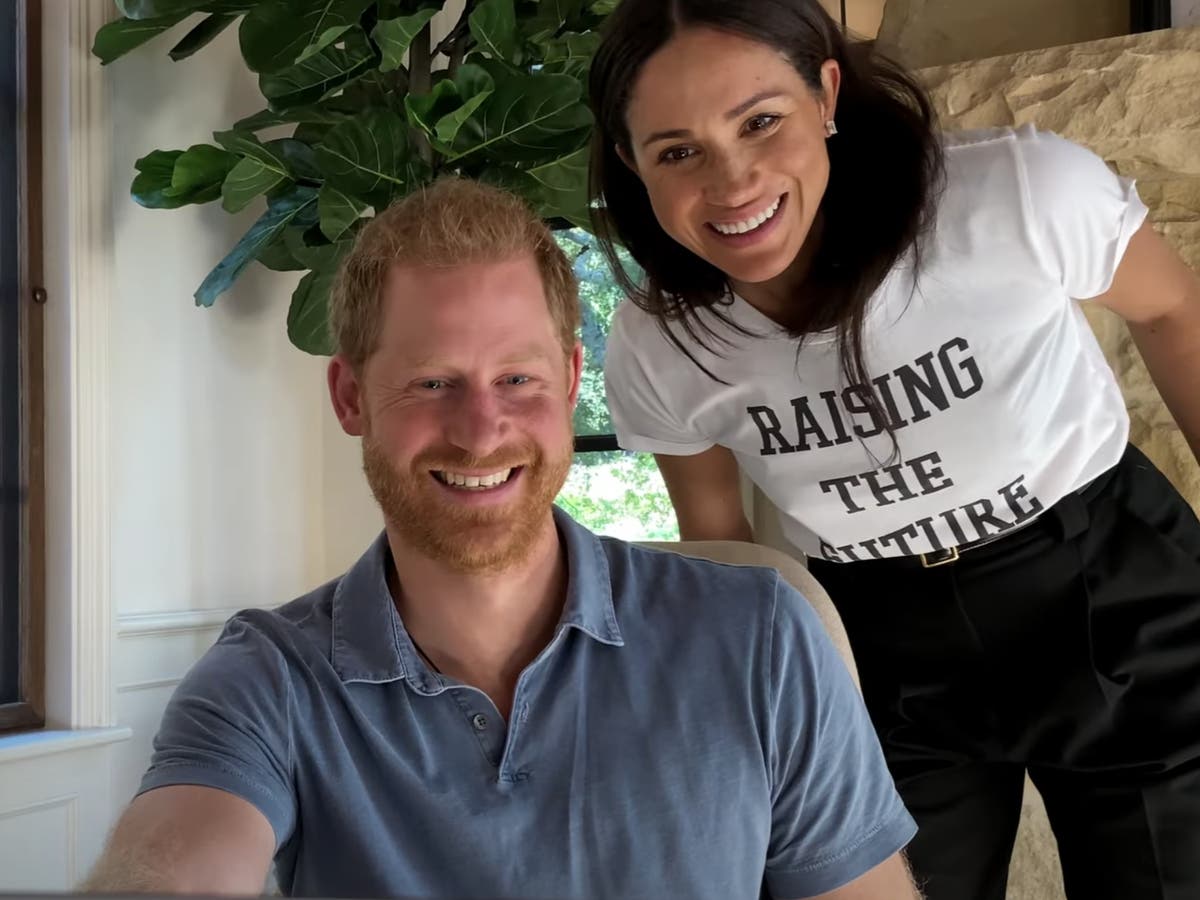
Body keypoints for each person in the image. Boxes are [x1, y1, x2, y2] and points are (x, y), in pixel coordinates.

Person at [81, 178, 922, 899]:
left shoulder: (761, 637)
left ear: (568, 382)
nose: (481, 432)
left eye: (516, 379)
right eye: (432, 382)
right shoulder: (268, 680)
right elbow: (174, 862)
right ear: (350, 399)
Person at [588, 2, 1200, 899]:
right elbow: (721, 540)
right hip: (878, 648)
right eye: (677, 150)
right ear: (631, 164)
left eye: (761, 121)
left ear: (826, 92)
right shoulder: (658, 343)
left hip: (1104, 586)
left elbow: (1172, 309)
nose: (733, 180)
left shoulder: (1017, 192)